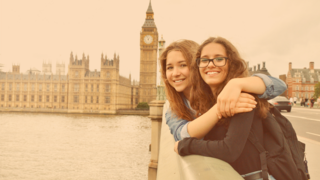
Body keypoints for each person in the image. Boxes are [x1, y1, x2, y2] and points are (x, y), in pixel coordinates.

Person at [174, 37, 281, 179]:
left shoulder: (242, 97)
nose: (210, 65)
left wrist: (184, 145)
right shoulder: (209, 102)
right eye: (204, 60)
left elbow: (229, 150)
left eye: (219, 59)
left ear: (231, 64)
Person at [160, 40, 287, 142]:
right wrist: (220, 107)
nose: (175, 73)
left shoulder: (218, 88)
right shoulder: (174, 108)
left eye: (183, 65)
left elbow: (279, 86)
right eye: (169, 68)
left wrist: (237, 84)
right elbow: (182, 136)